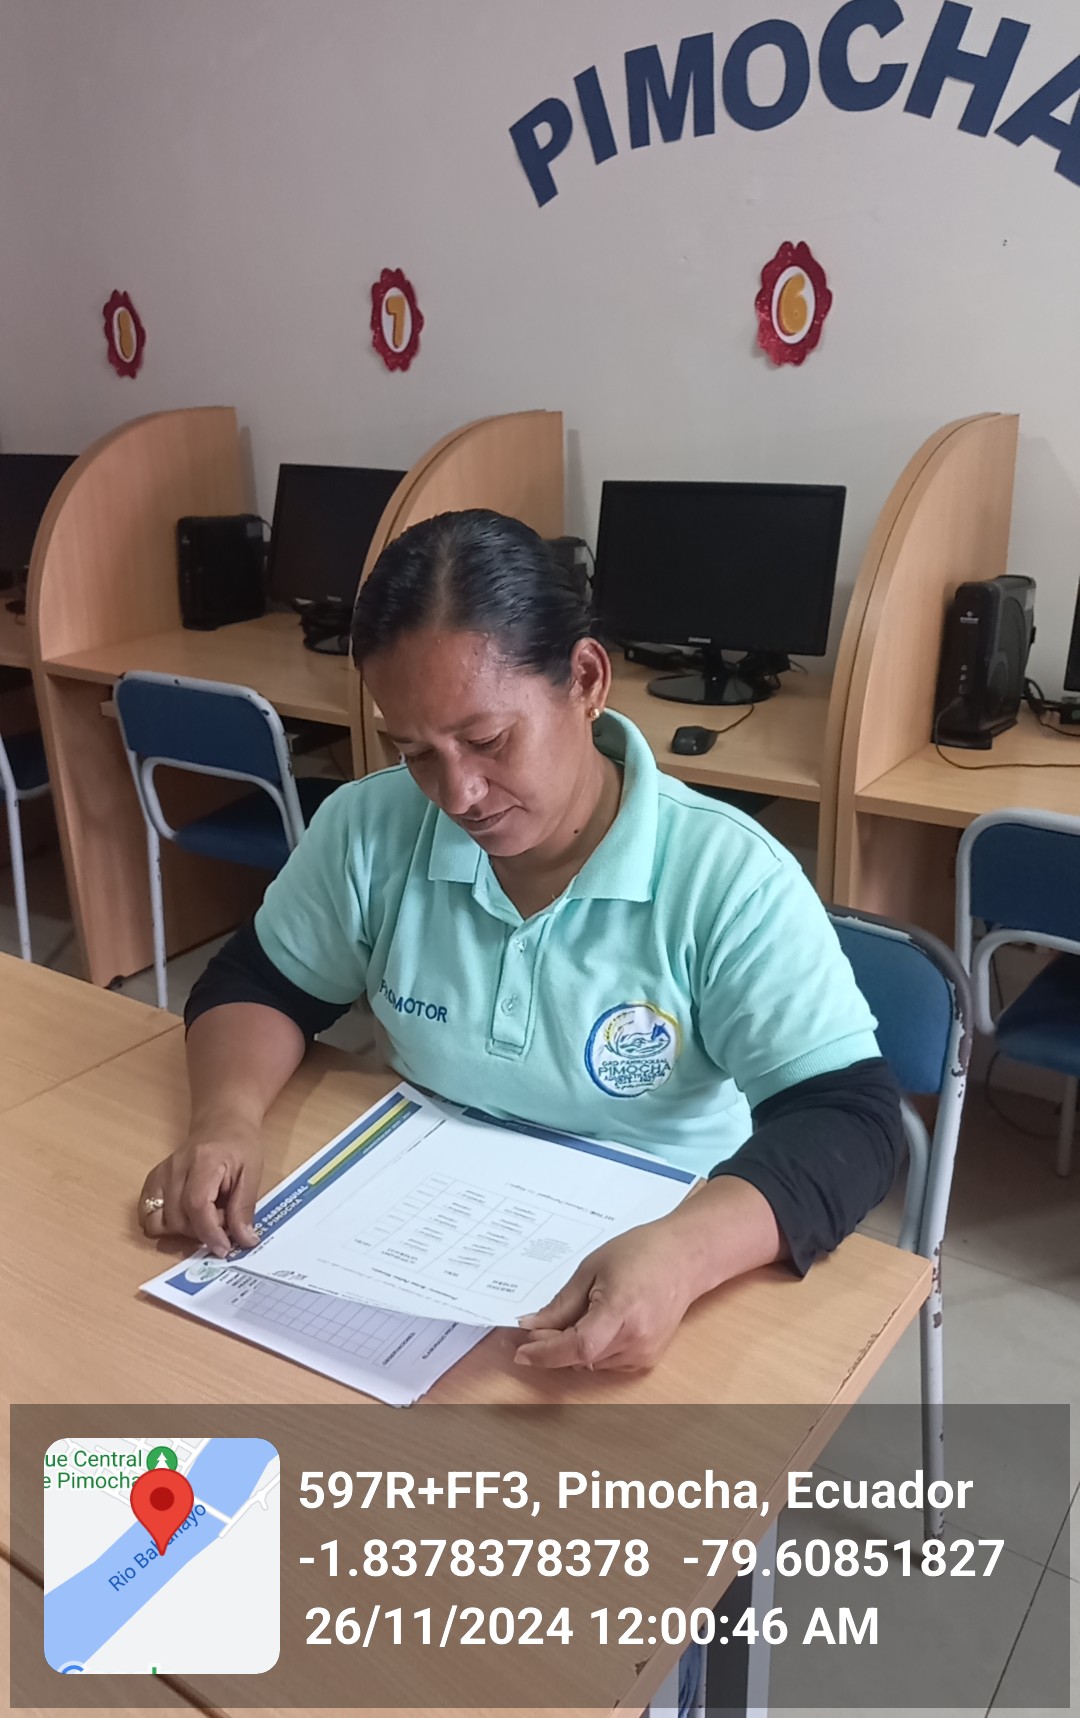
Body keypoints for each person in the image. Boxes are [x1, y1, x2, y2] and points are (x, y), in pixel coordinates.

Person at [137, 509, 903, 1372]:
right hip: (424, 1228)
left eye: (488, 740)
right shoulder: (370, 826)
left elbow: (851, 1120)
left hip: (655, 1257)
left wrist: (684, 1255)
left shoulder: (727, 877)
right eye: (416, 752)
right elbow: (261, 982)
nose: (458, 793)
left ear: (586, 680)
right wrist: (227, 1118)